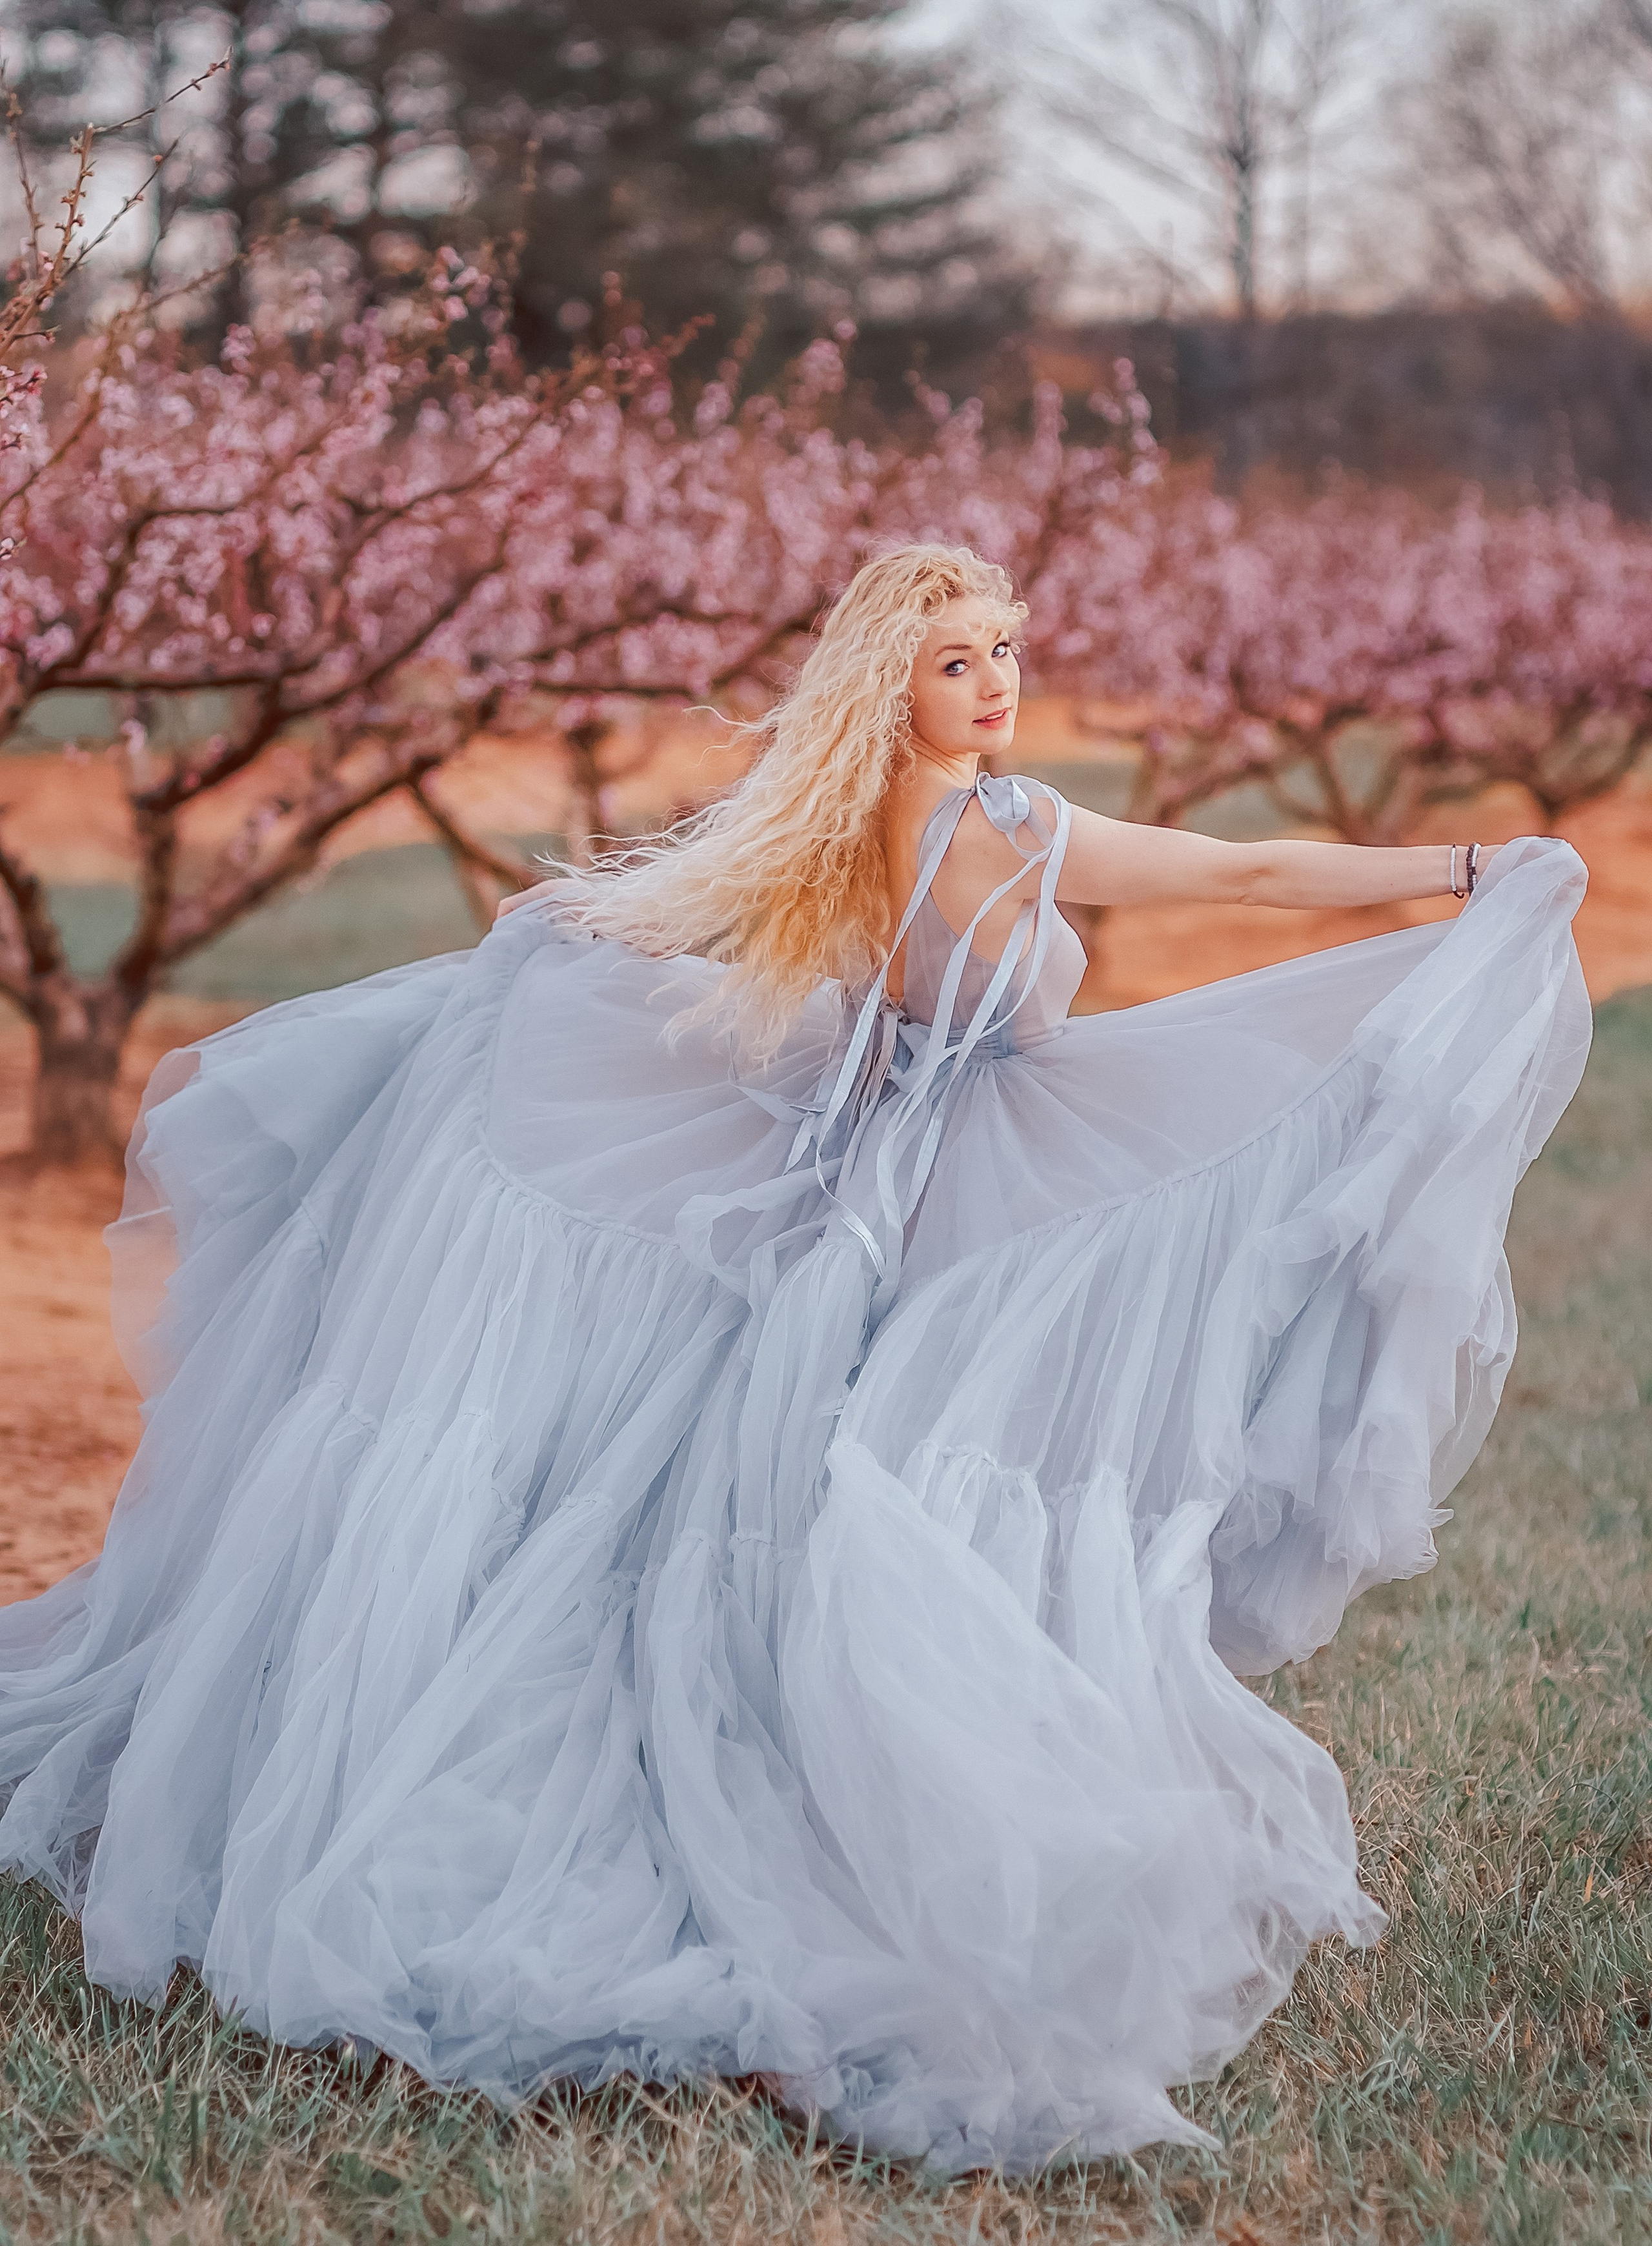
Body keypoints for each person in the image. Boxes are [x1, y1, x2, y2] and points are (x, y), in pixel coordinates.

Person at [0, 545, 1589, 2172]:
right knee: (898, 1463)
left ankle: (778, 1776)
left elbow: (695, 919)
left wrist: (1459, 866)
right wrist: (1467, 866)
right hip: (929, 1182)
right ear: (888, 683)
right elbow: (1243, 877)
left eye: (1003, 652)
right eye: (958, 662)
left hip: (841, 1178)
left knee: (771, 1474)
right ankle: (817, 1822)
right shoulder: (1002, 824)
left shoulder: (826, 824)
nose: (996, 683)